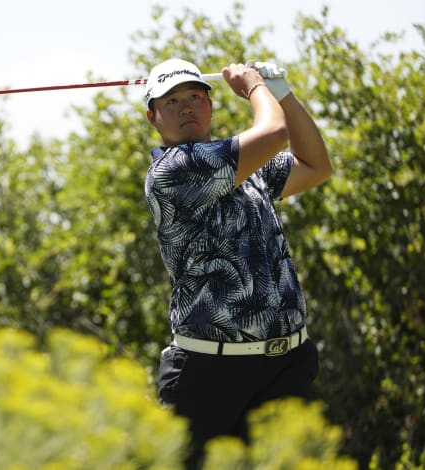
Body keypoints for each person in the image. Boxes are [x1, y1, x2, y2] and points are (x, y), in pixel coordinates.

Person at [143, 58, 332, 467]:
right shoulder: (172, 170)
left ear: (210, 106)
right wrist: (254, 87)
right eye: (172, 101)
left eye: (195, 96)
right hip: (209, 375)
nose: (187, 107)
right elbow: (275, 131)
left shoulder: (246, 165)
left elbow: (317, 165)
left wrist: (282, 92)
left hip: (285, 366)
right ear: (153, 117)